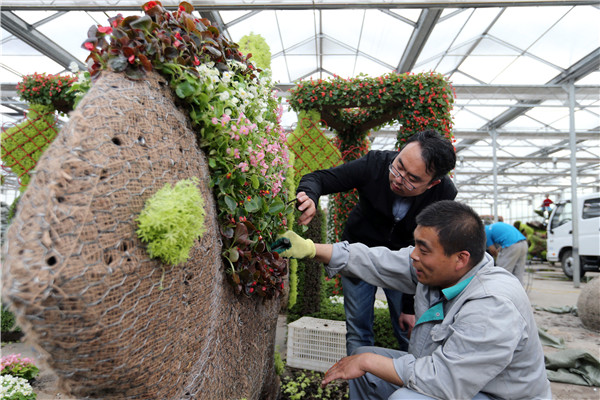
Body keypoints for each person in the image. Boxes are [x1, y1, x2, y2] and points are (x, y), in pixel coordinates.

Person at [274, 200, 551, 400]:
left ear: (460, 258)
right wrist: (311, 249)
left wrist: (370, 362)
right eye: (415, 244)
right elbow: (377, 261)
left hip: (493, 394)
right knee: (361, 361)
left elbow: (445, 381)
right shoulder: (437, 271)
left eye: (424, 249)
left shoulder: (492, 305)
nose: (413, 255)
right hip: (456, 382)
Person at [295, 129, 457, 354]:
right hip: (357, 254)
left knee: (408, 330)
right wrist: (309, 196)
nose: (398, 179)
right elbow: (318, 179)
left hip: (403, 262)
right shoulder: (375, 164)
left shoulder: (444, 194)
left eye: (412, 179)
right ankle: (359, 385)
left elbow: (428, 251)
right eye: (399, 166)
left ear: (432, 184)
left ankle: (411, 383)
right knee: (358, 329)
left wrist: (410, 307)